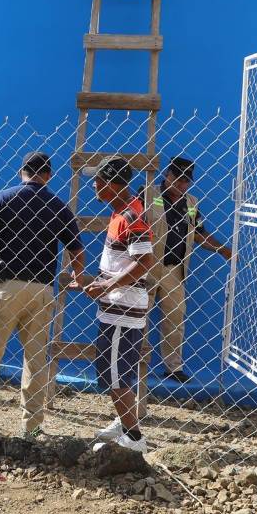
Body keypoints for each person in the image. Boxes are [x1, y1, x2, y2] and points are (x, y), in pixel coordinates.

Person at [0, 152, 85, 439]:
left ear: (21, 172)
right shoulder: (58, 206)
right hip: (41, 288)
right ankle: (32, 426)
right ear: (49, 175)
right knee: (36, 358)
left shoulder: (2, 198)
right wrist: (77, 276)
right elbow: (76, 251)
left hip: (5, 284)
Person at [80, 157, 155, 454]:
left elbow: (143, 262)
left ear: (113, 184)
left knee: (112, 373)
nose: (94, 185)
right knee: (120, 370)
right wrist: (96, 282)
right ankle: (125, 423)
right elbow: (120, 262)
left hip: (122, 308)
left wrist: (107, 287)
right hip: (119, 305)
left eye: (98, 180)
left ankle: (135, 438)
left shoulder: (130, 216)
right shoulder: (120, 213)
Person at [145, 157, 232, 381]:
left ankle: (173, 367)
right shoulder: (147, 195)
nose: (182, 185)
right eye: (178, 179)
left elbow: (200, 234)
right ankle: (135, 363)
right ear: (168, 175)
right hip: (146, 267)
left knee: (175, 318)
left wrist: (223, 250)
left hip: (174, 270)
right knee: (138, 317)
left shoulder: (191, 203)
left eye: (186, 181)